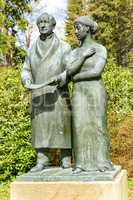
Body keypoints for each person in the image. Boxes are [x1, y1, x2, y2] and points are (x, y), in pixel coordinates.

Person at [21, 13, 72, 172]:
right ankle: (42, 161)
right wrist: (26, 79)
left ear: (53, 25)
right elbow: (26, 69)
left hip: (58, 93)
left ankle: (66, 159)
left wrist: (62, 77)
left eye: (46, 22)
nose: (43, 25)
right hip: (39, 94)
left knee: (62, 125)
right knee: (40, 127)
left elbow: (70, 69)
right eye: (40, 22)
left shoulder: (64, 47)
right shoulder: (31, 49)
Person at [63, 16, 114, 174]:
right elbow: (69, 71)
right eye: (75, 28)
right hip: (79, 92)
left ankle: (102, 162)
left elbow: (97, 71)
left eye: (78, 27)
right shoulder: (74, 52)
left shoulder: (100, 49)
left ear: (87, 28)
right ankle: (81, 164)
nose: (76, 31)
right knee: (79, 126)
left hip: (95, 91)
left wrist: (76, 77)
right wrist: (83, 56)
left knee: (98, 125)